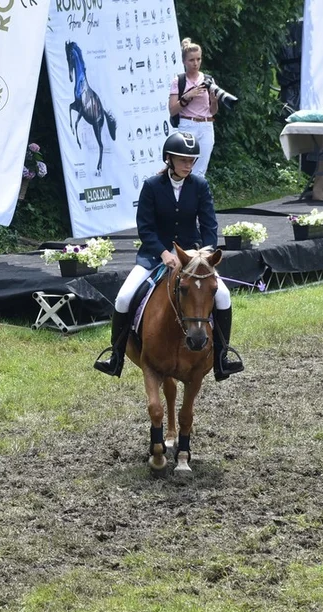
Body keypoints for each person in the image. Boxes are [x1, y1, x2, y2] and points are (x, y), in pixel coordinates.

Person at [93, 131, 244, 381]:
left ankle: (221, 357)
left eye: (192, 160)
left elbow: (209, 225)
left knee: (224, 296)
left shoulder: (199, 186)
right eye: (183, 160)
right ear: (169, 159)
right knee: (123, 297)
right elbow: (145, 227)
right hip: (155, 257)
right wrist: (163, 253)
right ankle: (116, 357)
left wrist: (204, 253)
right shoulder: (152, 186)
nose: (188, 165)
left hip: (194, 259)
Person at [168, 38, 218, 177]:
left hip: (206, 125)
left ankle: (195, 197)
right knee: (184, 167)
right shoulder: (179, 81)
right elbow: (172, 110)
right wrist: (187, 96)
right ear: (184, 61)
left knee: (200, 170)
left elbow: (213, 111)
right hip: (188, 125)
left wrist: (214, 102)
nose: (195, 63)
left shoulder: (208, 79)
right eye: (191, 60)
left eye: (198, 59)